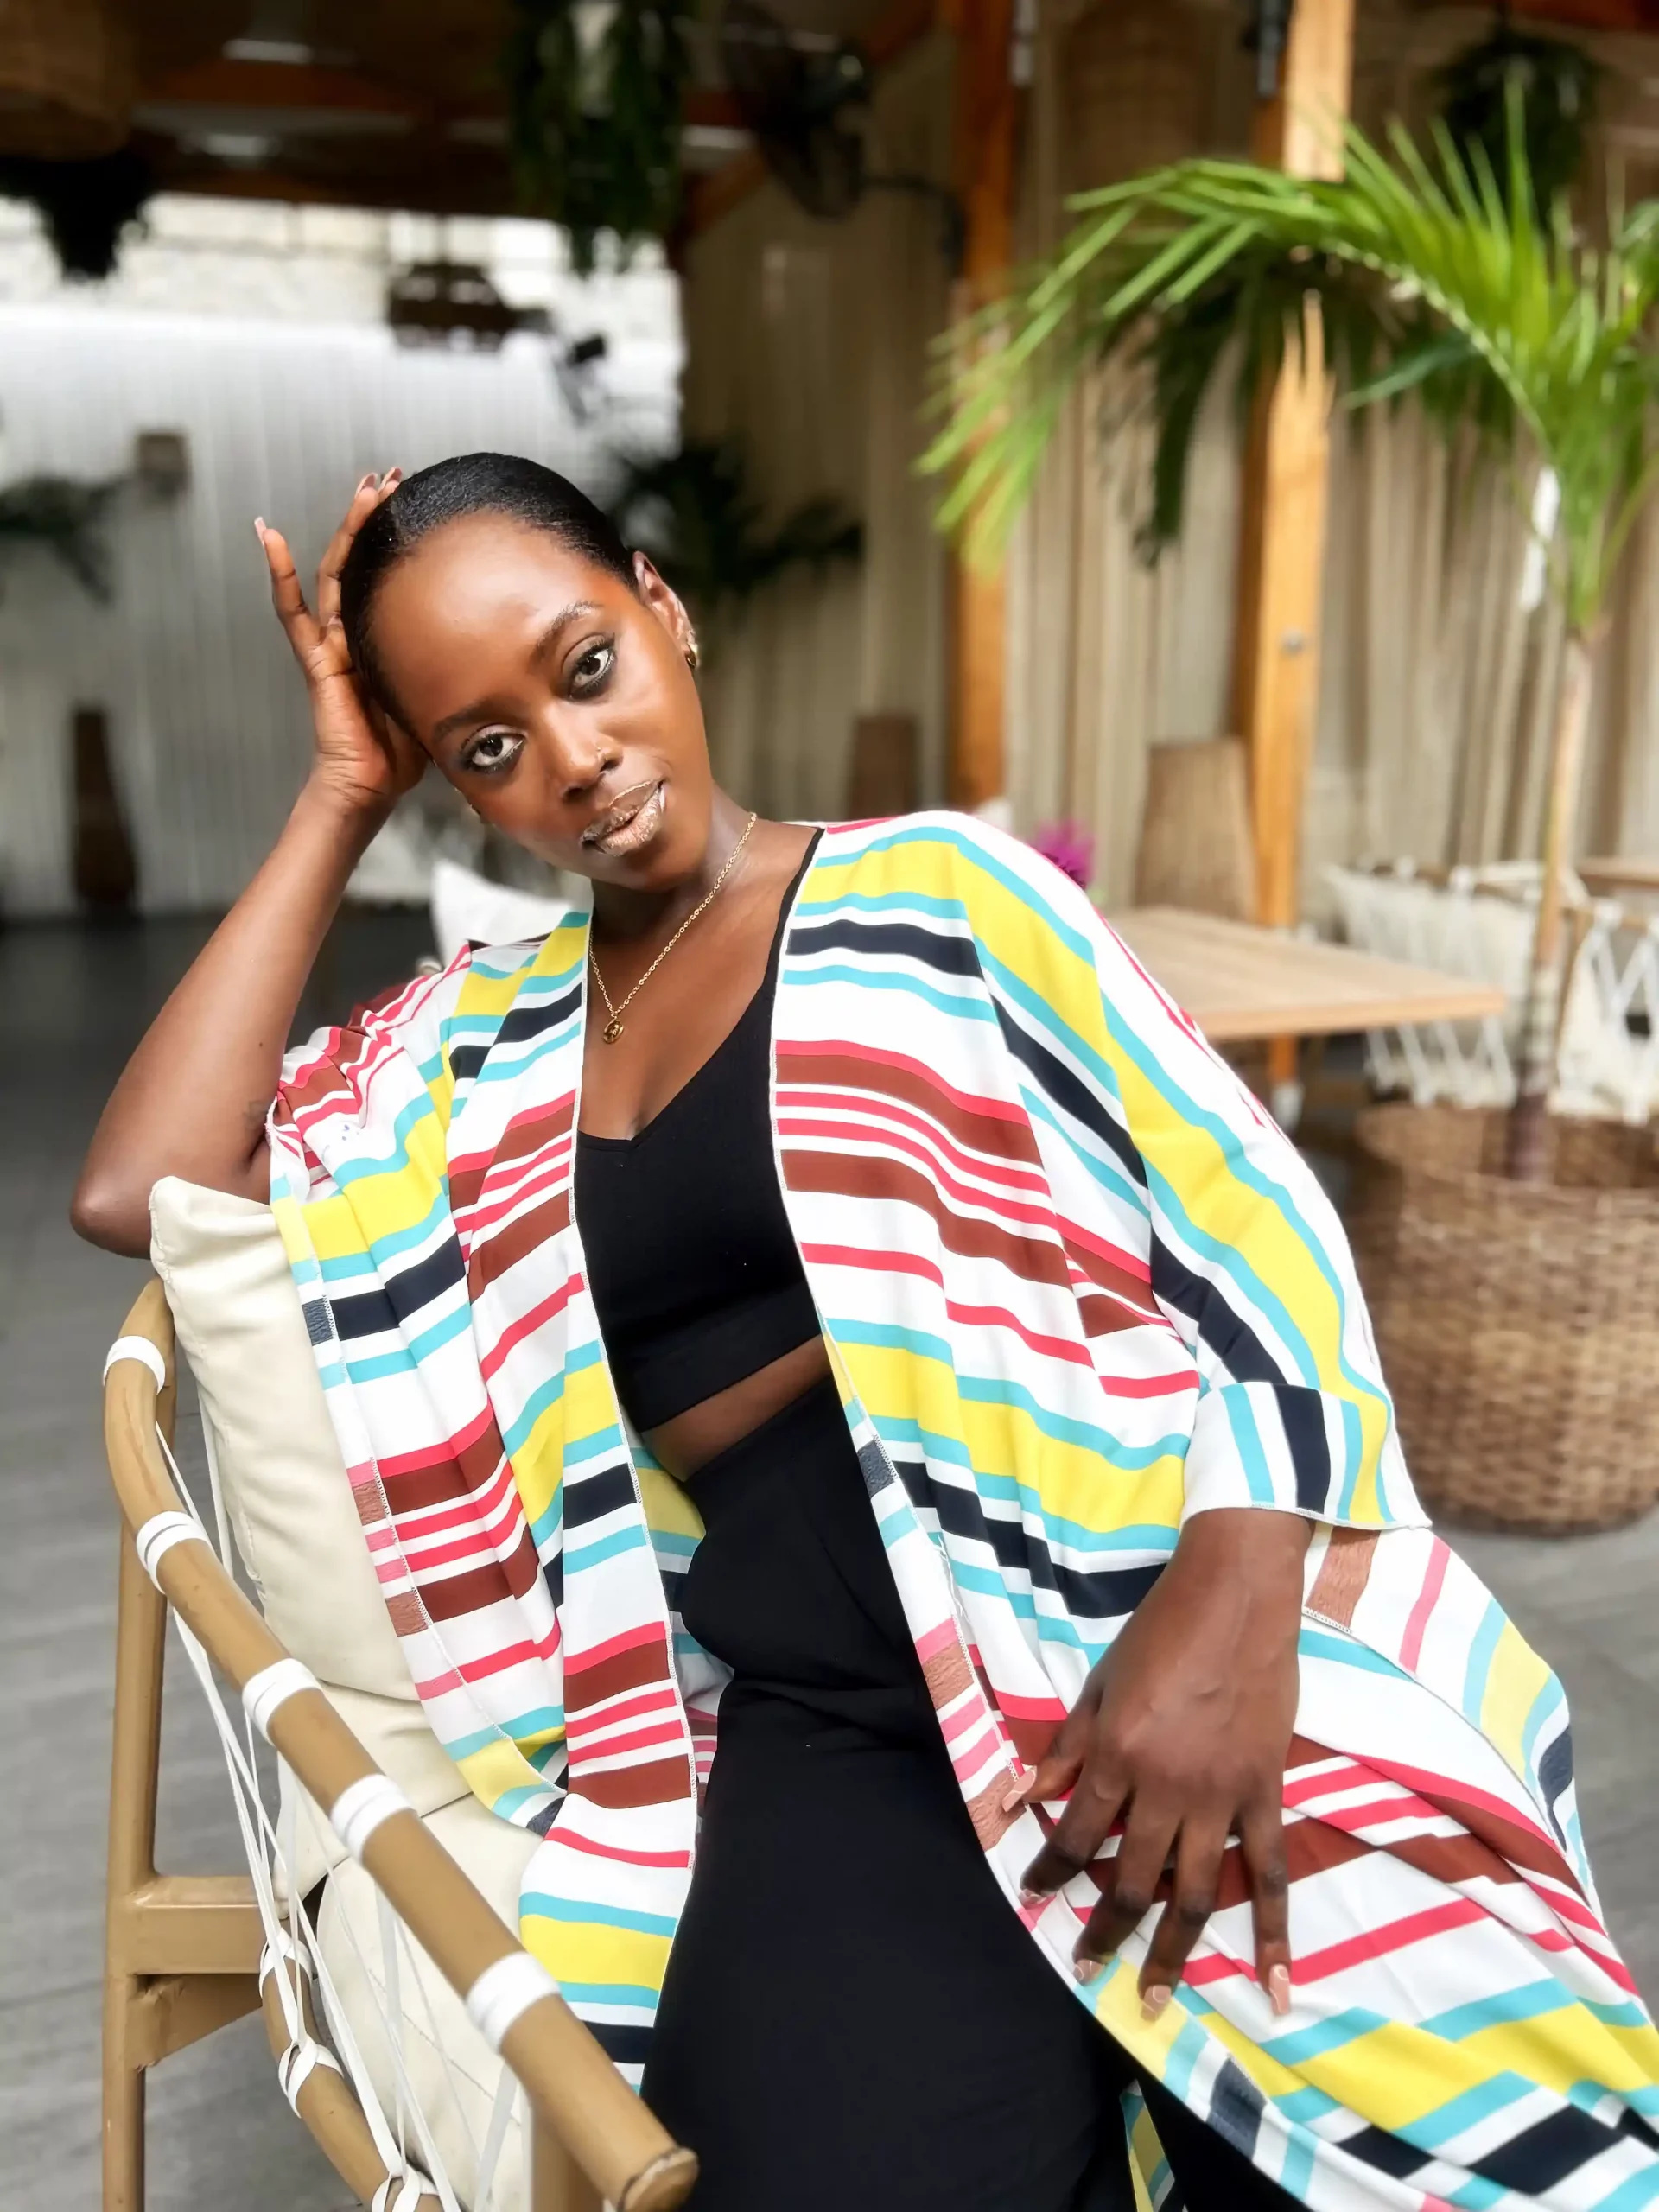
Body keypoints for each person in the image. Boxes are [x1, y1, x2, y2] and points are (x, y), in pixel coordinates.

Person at [75, 455, 1659, 2212]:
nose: (575, 756)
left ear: (664, 610)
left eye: (587, 666)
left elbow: (1255, 1218)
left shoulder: (944, 896)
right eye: (490, 746)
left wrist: (1234, 1600)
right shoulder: (478, 1044)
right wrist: (339, 792)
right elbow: (146, 1181)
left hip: (1127, 1609)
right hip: (830, 1711)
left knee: (1412, 2125)